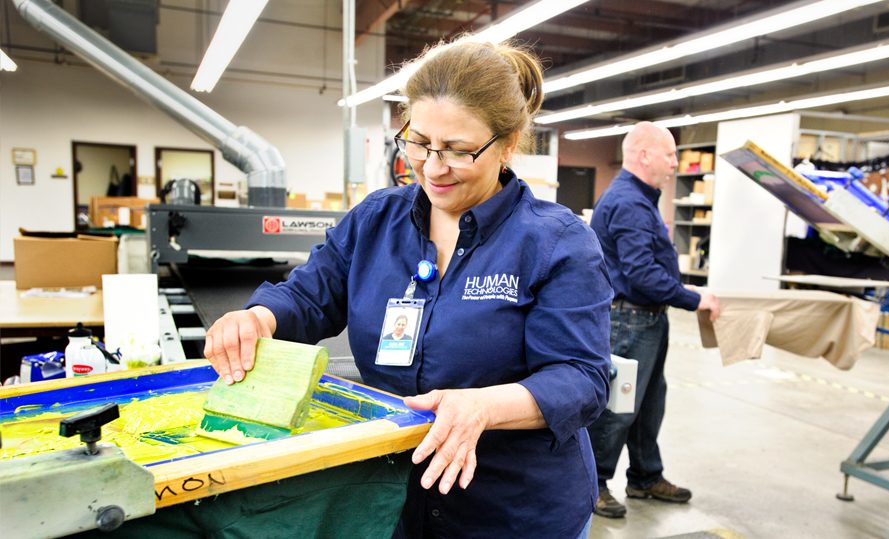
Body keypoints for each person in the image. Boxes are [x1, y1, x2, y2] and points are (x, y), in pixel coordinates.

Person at [203, 40, 612, 538]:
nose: (433, 167)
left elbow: (581, 380)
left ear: (508, 145)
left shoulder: (556, 243)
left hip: (511, 510)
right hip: (390, 500)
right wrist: (258, 318)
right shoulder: (376, 220)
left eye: (460, 151)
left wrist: (484, 406)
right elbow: (309, 297)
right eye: (418, 142)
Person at [587, 122, 721, 519]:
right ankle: (592, 484)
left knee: (649, 404)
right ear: (644, 155)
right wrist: (693, 298)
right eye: (670, 154)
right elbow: (641, 273)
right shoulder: (629, 202)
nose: (676, 163)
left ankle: (645, 476)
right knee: (619, 408)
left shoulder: (641, 199)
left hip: (646, 320)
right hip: (630, 320)